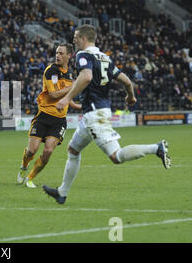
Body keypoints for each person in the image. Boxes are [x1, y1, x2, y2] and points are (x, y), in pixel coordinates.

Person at [42, 25, 172, 204]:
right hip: (95, 112)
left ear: (84, 39)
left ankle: (156, 148)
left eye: (76, 37)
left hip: (95, 115)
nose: (73, 40)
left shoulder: (83, 55)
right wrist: (130, 96)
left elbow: (86, 77)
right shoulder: (105, 58)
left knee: (116, 157)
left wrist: (66, 98)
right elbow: (126, 80)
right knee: (73, 150)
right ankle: (62, 193)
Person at [17, 44, 81, 188]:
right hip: (43, 116)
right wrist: (74, 86)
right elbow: (53, 95)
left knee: (48, 151)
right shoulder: (50, 70)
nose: (57, 55)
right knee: (31, 151)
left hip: (59, 120)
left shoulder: (71, 74)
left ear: (69, 56)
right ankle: (24, 165)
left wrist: (79, 106)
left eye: (61, 53)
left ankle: (30, 178)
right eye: (56, 53)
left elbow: (67, 96)